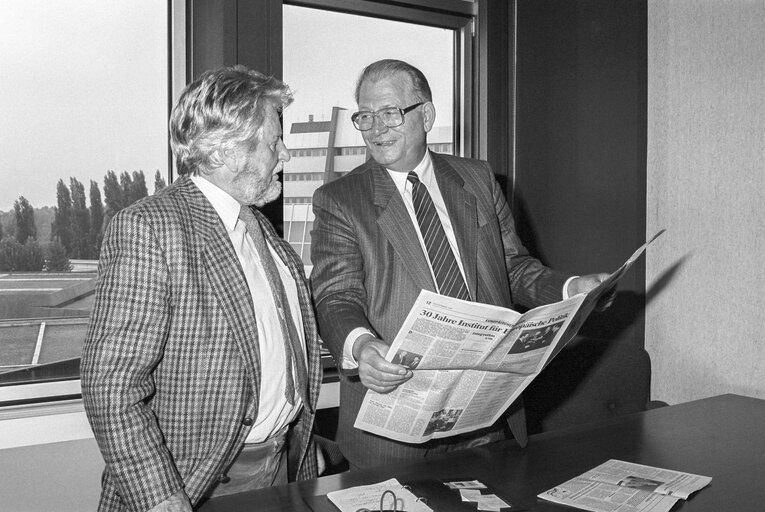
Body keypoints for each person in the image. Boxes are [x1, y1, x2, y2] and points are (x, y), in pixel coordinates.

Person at [310, 59, 614, 469]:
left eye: (390, 113)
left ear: (427, 115)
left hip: (485, 415)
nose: (376, 128)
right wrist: (361, 346)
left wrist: (570, 289)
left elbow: (513, 267)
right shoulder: (340, 199)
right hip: (396, 421)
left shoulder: (477, 179)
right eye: (365, 116)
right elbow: (335, 295)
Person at [81, 65, 322, 511]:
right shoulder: (150, 228)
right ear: (228, 152)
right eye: (274, 142)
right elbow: (110, 386)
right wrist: (161, 498)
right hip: (193, 485)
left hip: (280, 468)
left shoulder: (266, 239)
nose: (284, 154)